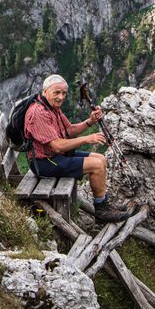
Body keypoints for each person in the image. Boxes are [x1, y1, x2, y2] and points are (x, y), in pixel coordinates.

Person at [24, 74, 131, 222]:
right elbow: (57, 145)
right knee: (96, 165)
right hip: (44, 163)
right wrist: (87, 138)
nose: (61, 97)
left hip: (57, 156)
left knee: (101, 159)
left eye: (64, 93)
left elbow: (69, 130)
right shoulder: (39, 113)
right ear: (45, 91)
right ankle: (101, 211)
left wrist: (90, 121)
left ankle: (104, 202)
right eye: (56, 92)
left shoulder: (51, 107)